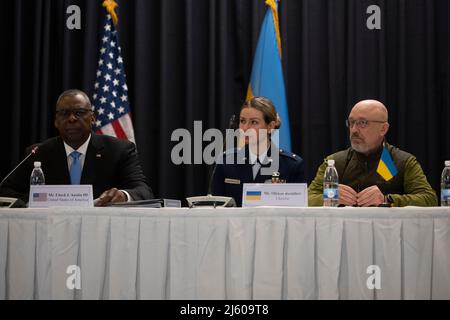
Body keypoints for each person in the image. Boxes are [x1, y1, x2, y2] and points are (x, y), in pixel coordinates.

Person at [0, 89, 154, 206]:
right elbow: (5, 190)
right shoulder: (38, 153)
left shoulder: (119, 150)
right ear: (56, 121)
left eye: (79, 113)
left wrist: (123, 195)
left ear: (92, 118)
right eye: (65, 113)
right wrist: (38, 198)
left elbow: (143, 191)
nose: (72, 119)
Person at [308, 99, 437, 207]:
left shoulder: (402, 161)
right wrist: (329, 198)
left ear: (383, 129)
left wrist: (387, 199)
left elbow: (429, 199)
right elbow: (307, 198)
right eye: (351, 123)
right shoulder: (335, 162)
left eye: (362, 123)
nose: (354, 130)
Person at [212, 96, 305, 206]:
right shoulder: (226, 162)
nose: (245, 128)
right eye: (242, 121)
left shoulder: (291, 165)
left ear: (270, 126)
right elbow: (216, 210)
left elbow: (297, 214)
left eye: (254, 122)